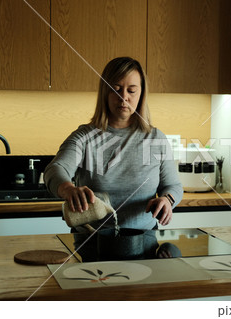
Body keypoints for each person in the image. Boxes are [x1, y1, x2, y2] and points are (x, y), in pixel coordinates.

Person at [44, 57, 183, 232]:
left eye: (131, 91)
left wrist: (167, 200)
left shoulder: (156, 139)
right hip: (92, 242)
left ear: (141, 95)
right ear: (105, 92)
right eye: (116, 89)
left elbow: (173, 186)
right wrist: (67, 189)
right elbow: (54, 169)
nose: (123, 97)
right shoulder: (85, 137)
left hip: (143, 241)